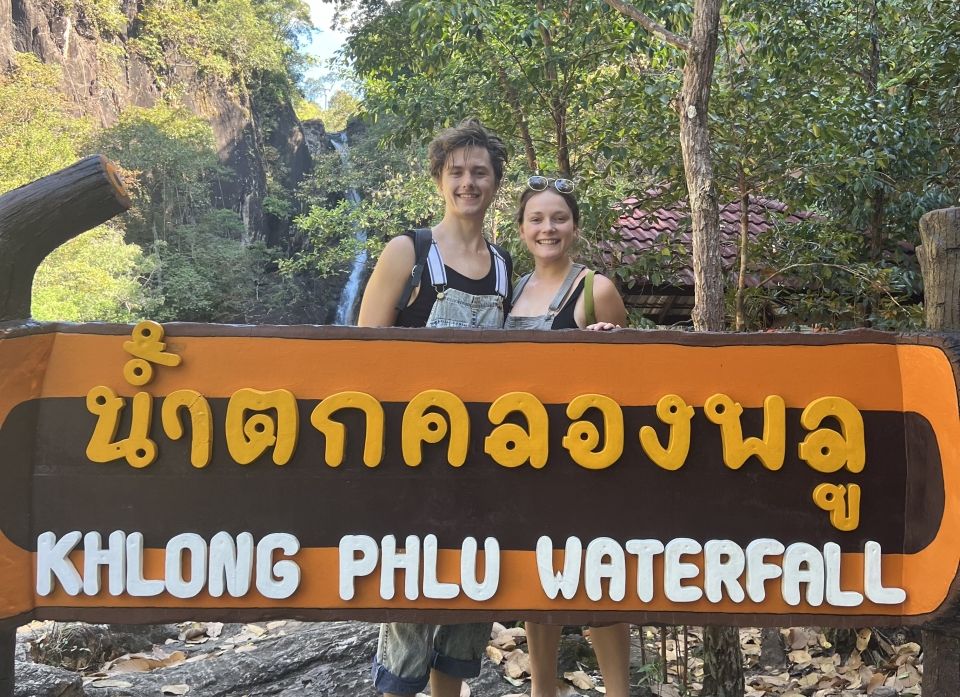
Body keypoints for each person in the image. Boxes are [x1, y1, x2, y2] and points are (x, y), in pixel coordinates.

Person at [356, 118, 512, 697]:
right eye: (457, 172)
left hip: (484, 458)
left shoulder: (502, 266)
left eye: (480, 173)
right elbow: (364, 347)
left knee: (472, 595)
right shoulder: (408, 251)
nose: (467, 183)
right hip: (411, 455)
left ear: (495, 184)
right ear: (439, 180)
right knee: (410, 595)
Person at [505, 175, 630, 697]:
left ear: (574, 228)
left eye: (558, 218)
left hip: (587, 464)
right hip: (524, 461)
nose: (547, 228)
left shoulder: (594, 288)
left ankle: (619, 690)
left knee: (598, 574)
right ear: (521, 230)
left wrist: (605, 345)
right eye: (536, 219)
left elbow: (631, 379)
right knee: (538, 574)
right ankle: (543, 689)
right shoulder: (508, 291)